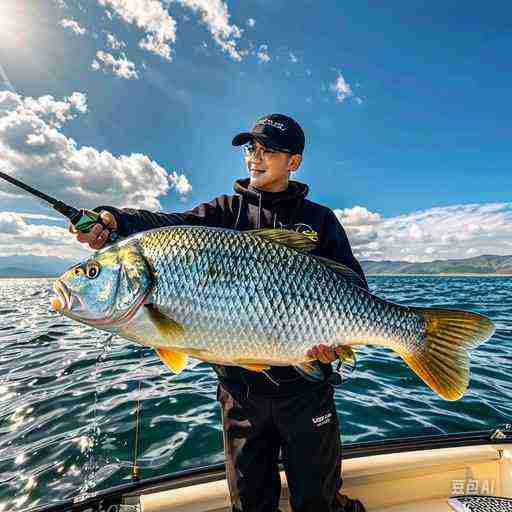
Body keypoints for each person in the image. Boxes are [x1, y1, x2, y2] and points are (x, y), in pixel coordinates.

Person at [70, 113, 367, 512]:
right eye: (251, 148)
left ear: (293, 161)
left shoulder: (321, 220)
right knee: (249, 504)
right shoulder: (223, 212)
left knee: (317, 501)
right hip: (240, 397)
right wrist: (114, 219)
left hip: (306, 392)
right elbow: (166, 226)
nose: (255, 158)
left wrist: (338, 344)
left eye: (268, 150)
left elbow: (355, 291)